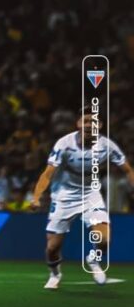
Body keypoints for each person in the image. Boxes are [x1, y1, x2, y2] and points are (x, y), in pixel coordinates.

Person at [30, 114, 134, 289]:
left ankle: (93, 260)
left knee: (104, 239)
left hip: (90, 194)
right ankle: (55, 274)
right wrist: (36, 197)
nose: (88, 124)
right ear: (78, 124)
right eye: (84, 121)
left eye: (92, 121)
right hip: (64, 195)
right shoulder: (64, 144)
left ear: (99, 125)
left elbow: (128, 170)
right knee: (52, 247)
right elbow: (48, 173)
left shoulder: (107, 146)